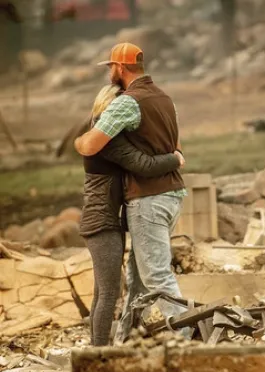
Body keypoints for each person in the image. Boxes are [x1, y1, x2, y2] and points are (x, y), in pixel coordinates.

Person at [74, 43, 188, 343]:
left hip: (148, 199)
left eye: (111, 67)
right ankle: (123, 341)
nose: (110, 72)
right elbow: (159, 146)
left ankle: (189, 337)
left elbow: (89, 145)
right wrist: (176, 157)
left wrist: (81, 142)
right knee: (135, 282)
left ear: (121, 68)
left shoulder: (127, 103)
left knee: (155, 277)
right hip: (172, 194)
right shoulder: (164, 99)